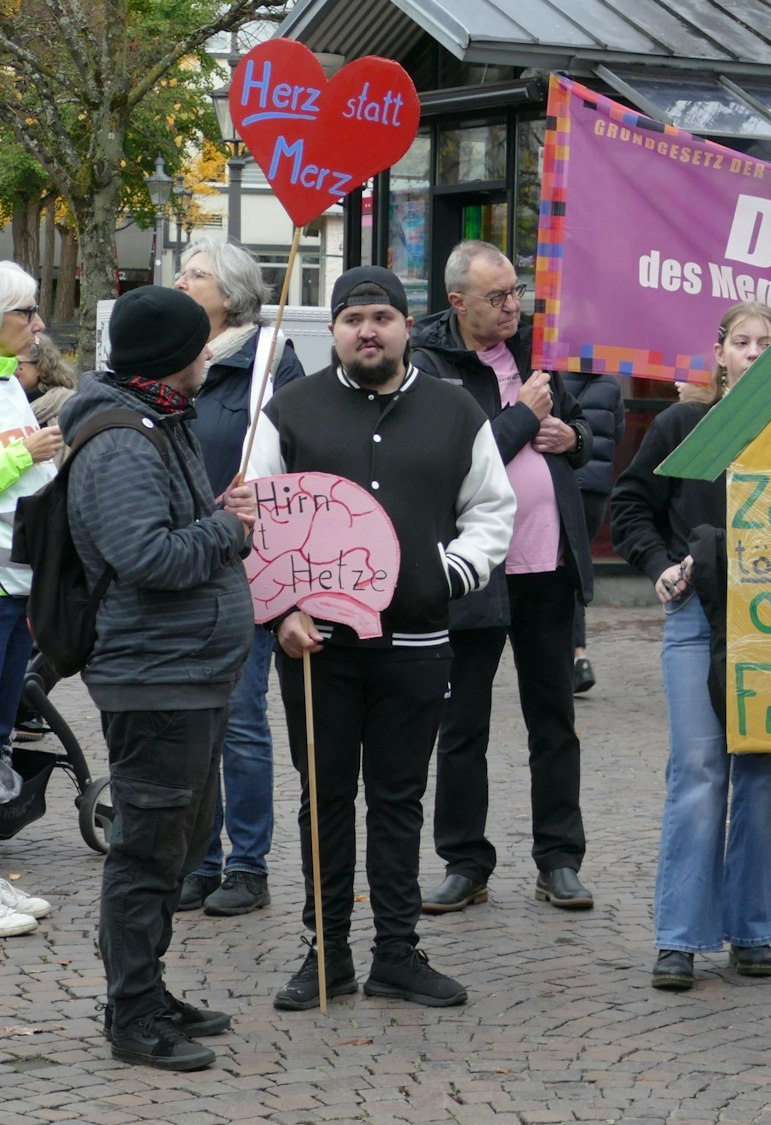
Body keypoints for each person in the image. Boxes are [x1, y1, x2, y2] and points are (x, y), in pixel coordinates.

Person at [246, 266, 514, 1012]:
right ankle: (326, 952)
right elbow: (259, 520)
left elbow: (492, 509)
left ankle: (397, 951)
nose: (368, 330)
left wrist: (446, 575)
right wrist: (283, 608)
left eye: (382, 317)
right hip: (316, 646)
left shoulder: (456, 411)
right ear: (331, 329)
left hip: (418, 641)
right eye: (353, 318)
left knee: (399, 797)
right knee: (325, 798)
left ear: (405, 325)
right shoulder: (288, 411)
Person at [68, 285, 257, 1070]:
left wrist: (214, 515)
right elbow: (146, 557)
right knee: (147, 850)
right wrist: (228, 527)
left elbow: (168, 529)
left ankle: (148, 986)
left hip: (192, 671)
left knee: (174, 845)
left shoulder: (159, 418)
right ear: (167, 355)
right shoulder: (118, 439)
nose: (208, 352)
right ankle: (132, 1012)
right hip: (155, 677)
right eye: (198, 341)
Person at [609, 302, 771, 992]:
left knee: (766, 776)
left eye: (766, 342)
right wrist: (659, 563)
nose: (752, 352)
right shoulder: (683, 424)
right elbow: (630, 504)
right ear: (718, 355)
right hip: (697, 614)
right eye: (741, 342)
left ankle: (752, 929)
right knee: (699, 769)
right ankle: (680, 937)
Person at [414, 241, 595, 915]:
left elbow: (581, 433)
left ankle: (560, 858)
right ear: (459, 302)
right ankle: (465, 860)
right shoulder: (430, 366)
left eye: (516, 292)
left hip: (547, 565)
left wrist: (570, 439)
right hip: (473, 570)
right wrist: (523, 417)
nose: (513, 306)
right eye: (498, 297)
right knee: (464, 723)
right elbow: (445, 456)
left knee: (554, 718)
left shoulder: (533, 356)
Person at [175, 237, 308, 918]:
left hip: (249, 563)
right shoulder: (174, 362)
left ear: (228, 293)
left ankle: (248, 863)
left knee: (240, 717)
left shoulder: (270, 362)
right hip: (183, 557)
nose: (180, 280)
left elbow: (299, 456)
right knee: (194, 718)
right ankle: (200, 858)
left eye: (194, 274)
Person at [0, 265, 60, 935]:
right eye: (27, 312)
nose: (38, 325)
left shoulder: (9, 381)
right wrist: (26, 453)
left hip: (16, 587)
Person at [562, 364, 624, 695]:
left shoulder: (550, 377)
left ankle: (570, 656)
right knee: (579, 569)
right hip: (595, 491)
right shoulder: (612, 384)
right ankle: (579, 655)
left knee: (558, 570)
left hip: (561, 485)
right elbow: (619, 433)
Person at [18, 331, 76, 429]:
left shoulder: (67, 403)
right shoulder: (6, 402)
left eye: (17, 363)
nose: (9, 370)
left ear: (40, 366)